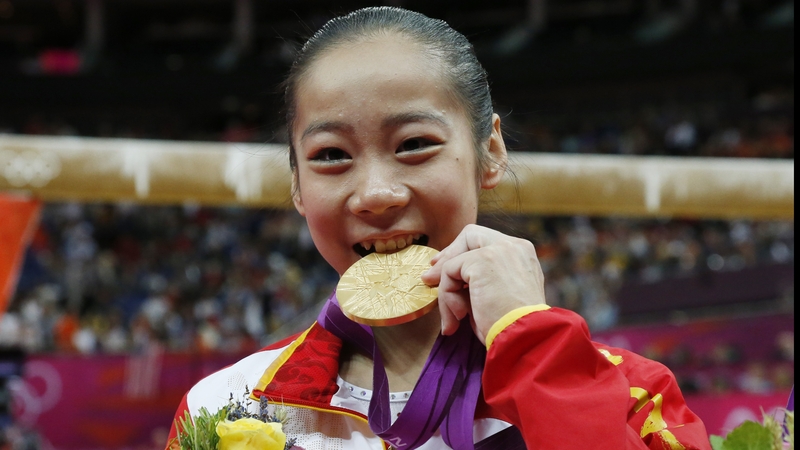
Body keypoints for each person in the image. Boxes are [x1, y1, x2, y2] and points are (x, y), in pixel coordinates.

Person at [167, 7, 711, 450]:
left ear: (489, 152)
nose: (377, 193)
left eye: (414, 144)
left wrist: (534, 343)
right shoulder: (228, 409)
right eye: (331, 155)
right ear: (296, 184)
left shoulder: (633, 395)